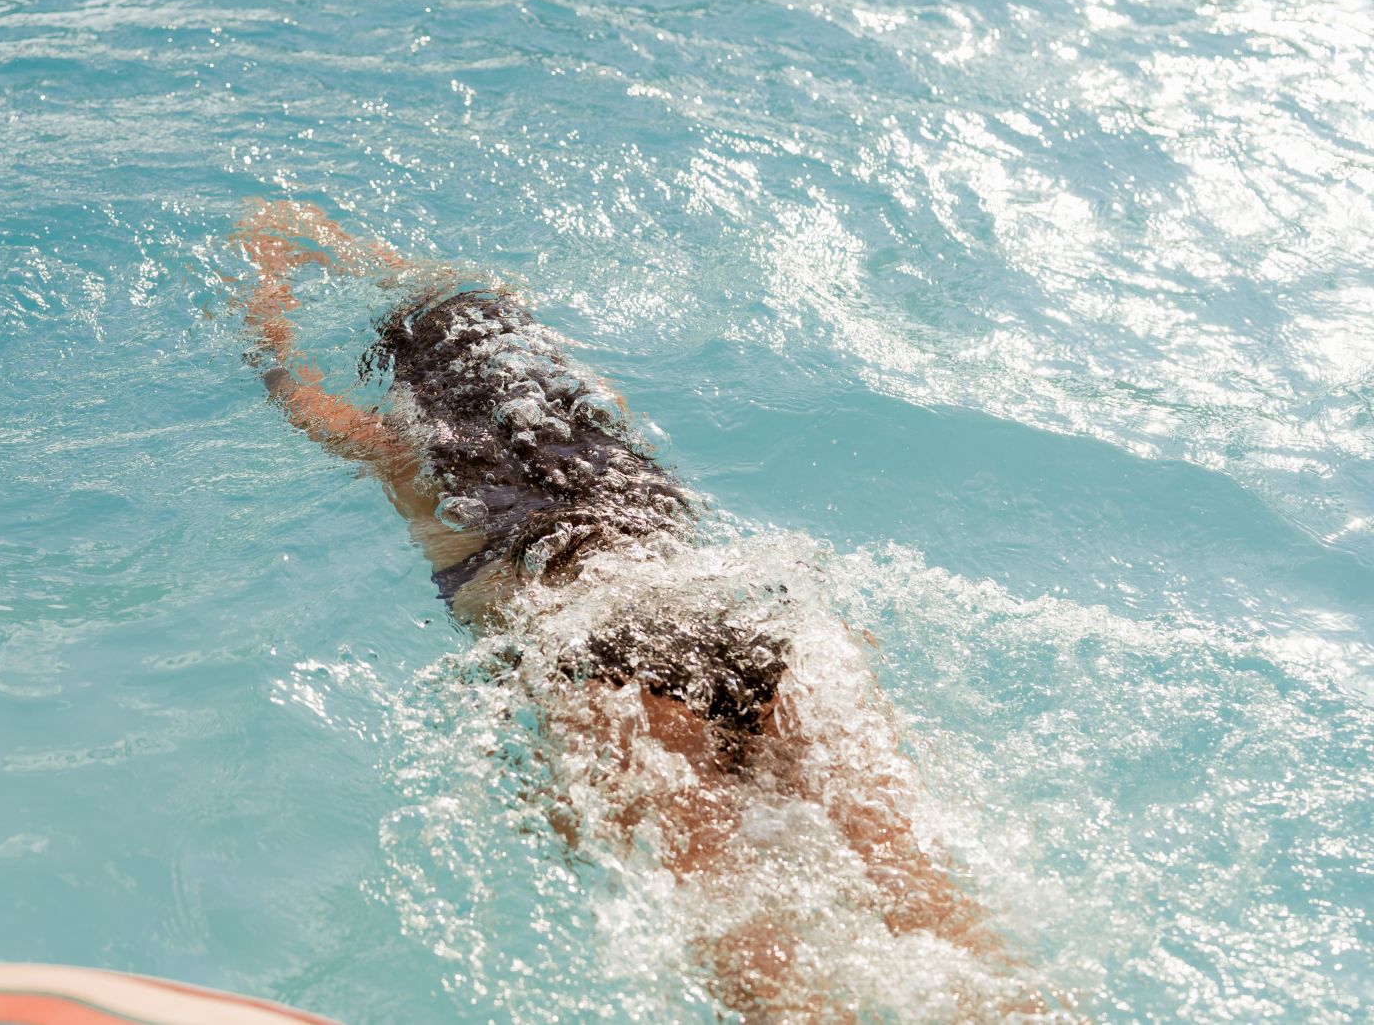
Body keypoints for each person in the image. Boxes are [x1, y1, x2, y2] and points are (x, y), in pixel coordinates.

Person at [235, 200, 1014, 1019]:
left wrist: (267, 285)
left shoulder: (406, 450)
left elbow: (287, 383)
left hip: (606, 644)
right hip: (758, 618)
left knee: (738, 927)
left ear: (415, 390)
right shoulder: (602, 420)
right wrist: (385, 258)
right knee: (929, 900)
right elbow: (509, 308)